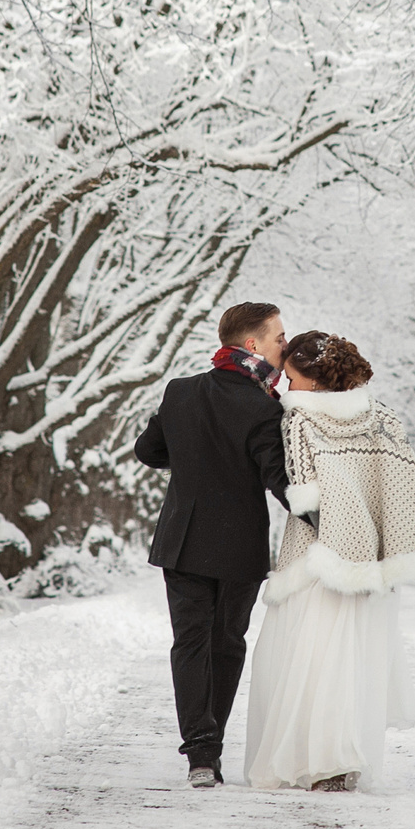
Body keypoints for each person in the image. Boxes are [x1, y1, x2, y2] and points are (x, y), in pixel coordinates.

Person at [243, 331, 415, 793]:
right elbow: (403, 485)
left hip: (318, 556)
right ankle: (341, 761)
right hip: (371, 561)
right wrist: (377, 541)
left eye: (291, 377)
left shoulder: (299, 418)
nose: (286, 386)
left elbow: (304, 493)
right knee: (354, 662)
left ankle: (317, 762)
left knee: (310, 663)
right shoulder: (383, 417)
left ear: (315, 381)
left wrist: (337, 525)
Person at [133, 300, 294, 789]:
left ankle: (200, 754)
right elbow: (280, 482)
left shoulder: (180, 391)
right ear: (252, 345)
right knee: (226, 645)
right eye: (279, 338)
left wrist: (194, 459)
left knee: (189, 643)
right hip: (238, 548)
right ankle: (210, 747)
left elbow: (148, 451)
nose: (285, 345)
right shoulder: (264, 407)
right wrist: (333, 519)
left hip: (181, 541)